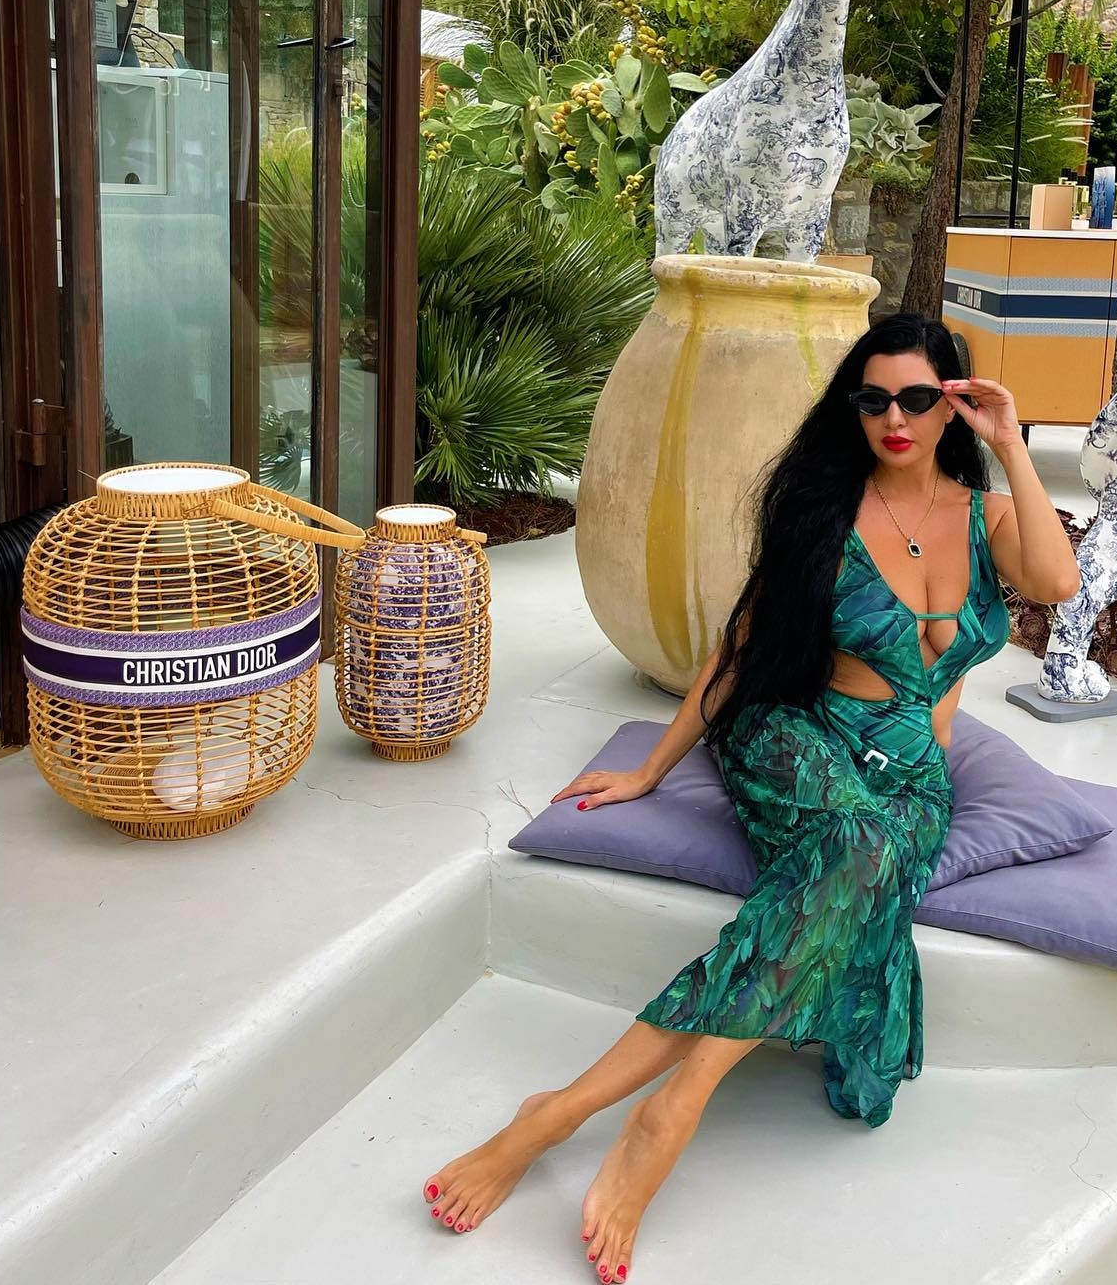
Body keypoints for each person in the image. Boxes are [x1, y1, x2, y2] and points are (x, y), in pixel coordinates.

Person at [421, 312, 1081, 1280]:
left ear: (955, 403)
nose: (894, 419)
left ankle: (562, 1109)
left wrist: (1011, 446)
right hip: (794, 735)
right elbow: (737, 650)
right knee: (858, 854)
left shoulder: (987, 519)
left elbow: (1057, 581)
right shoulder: (824, 510)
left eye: (916, 397)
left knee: (862, 859)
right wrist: (652, 768)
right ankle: (668, 1109)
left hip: (910, 775)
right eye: (872, 399)